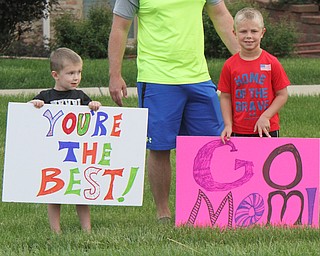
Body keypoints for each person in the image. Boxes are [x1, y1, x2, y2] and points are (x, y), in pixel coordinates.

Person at [108, 0, 239, 221]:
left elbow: (221, 17)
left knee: (213, 144)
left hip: (199, 77)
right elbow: (120, 27)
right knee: (159, 147)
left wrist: (242, 59)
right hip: (156, 77)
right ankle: (163, 213)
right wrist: (115, 74)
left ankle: (210, 209)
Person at [30, 47, 101, 233]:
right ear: (56, 74)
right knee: (54, 193)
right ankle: (56, 230)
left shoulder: (81, 97)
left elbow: (92, 113)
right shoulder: (46, 97)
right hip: (54, 155)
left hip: (77, 154)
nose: (76, 77)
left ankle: (87, 229)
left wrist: (94, 105)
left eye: (79, 72)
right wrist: (35, 104)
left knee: (81, 192)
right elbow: (29, 112)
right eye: (70, 73)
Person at [218, 7, 290, 143]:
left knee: (267, 164)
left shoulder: (272, 62)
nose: (249, 36)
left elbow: (282, 94)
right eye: (243, 31)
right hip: (238, 130)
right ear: (235, 33)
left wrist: (266, 116)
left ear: (262, 33)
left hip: (267, 128)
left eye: (254, 31)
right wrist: (228, 124)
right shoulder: (229, 65)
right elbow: (225, 97)